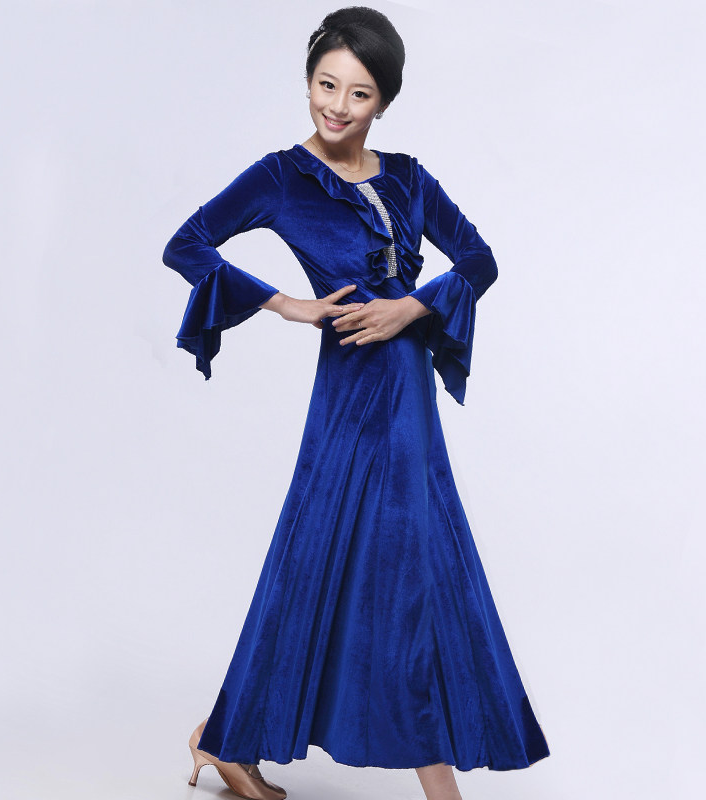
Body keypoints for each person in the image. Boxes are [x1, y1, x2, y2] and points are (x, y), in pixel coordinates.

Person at [162, 7, 550, 800]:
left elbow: (479, 259)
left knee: (382, 565)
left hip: (408, 397)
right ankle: (434, 790)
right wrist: (285, 304)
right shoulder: (280, 177)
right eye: (325, 85)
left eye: (359, 93)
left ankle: (220, 736)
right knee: (363, 565)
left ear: (384, 101)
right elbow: (186, 243)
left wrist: (413, 306)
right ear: (308, 82)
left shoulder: (408, 177)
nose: (337, 107)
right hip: (348, 394)